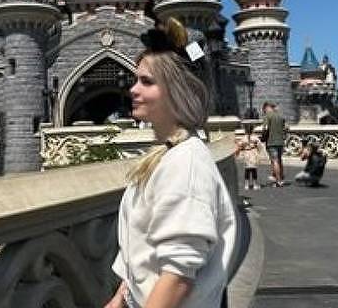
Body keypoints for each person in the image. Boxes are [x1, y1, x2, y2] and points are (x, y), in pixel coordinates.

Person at [106, 18, 237, 308]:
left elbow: (178, 276)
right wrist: (120, 298)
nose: (133, 90)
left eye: (147, 82)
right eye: (136, 79)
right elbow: (145, 249)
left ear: (177, 91)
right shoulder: (168, 154)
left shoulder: (185, 162)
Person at [263, 102, 288, 187]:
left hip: (271, 142)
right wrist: (283, 136)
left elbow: (266, 128)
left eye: (264, 110)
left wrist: (263, 137)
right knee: (280, 160)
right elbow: (286, 128)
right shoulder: (281, 116)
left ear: (267, 108)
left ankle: (278, 181)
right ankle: (281, 178)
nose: (264, 112)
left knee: (274, 161)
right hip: (280, 142)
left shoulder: (268, 116)